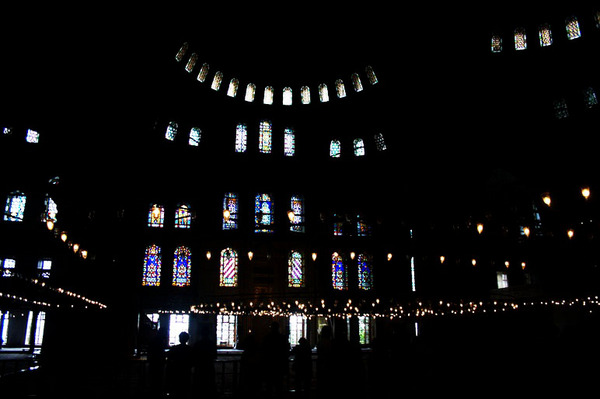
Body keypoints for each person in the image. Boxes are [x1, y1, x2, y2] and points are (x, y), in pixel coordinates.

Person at [261, 322, 291, 398]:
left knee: (269, 386)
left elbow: (264, 351)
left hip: (270, 365)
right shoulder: (282, 338)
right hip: (279, 365)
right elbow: (286, 351)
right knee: (279, 386)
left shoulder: (267, 338)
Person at [166, 331, 194, 398]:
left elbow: (169, 358)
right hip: (186, 371)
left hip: (176, 371)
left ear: (179, 339)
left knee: (176, 389)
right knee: (185, 389)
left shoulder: (174, 348)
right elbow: (193, 361)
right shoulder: (190, 349)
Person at [192, 324, 217, 398]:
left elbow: (194, 356)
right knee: (209, 385)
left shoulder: (197, 344)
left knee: (199, 386)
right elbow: (214, 356)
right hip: (209, 367)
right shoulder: (211, 344)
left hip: (199, 368)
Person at [147, 327, 169, 397]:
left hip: (154, 362)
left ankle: (153, 393)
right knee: (158, 379)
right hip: (158, 362)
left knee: (153, 380)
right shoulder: (160, 340)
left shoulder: (155, 339)